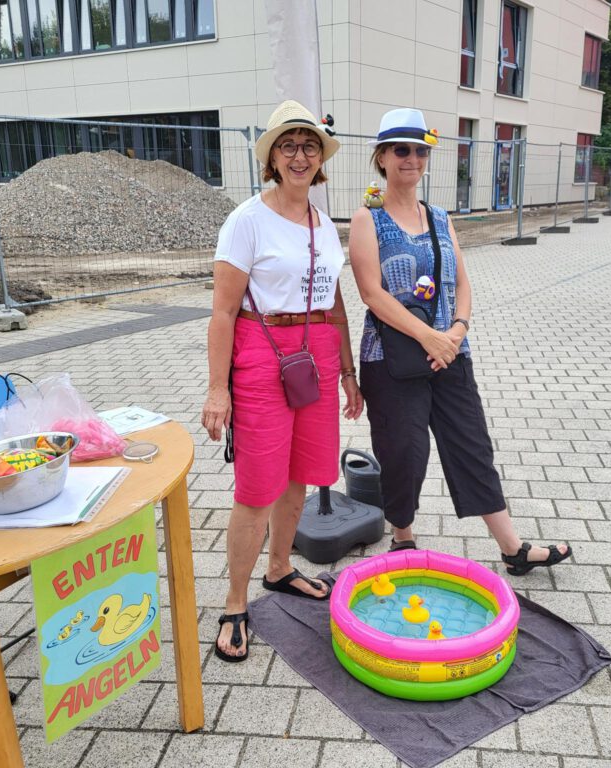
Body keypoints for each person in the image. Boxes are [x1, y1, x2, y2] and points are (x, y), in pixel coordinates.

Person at [348, 107, 572, 576]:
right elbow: (370, 292)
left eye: (419, 151)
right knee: (403, 450)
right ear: (382, 159)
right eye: (401, 150)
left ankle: (511, 547)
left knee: (471, 444)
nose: (411, 159)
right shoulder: (367, 219)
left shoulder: (440, 217)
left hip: (451, 351)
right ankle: (403, 536)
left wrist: (456, 330)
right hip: (392, 356)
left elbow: (462, 283)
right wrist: (429, 335)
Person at [201, 101, 363, 663]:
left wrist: (349, 373)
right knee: (256, 488)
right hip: (263, 353)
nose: (300, 155)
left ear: (321, 160)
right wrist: (217, 388)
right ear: (272, 157)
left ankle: (279, 568)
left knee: (300, 475)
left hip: (316, 353)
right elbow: (222, 312)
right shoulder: (247, 219)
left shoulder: (324, 222)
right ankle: (235, 601)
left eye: (310, 146)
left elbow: (335, 302)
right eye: (288, 146)